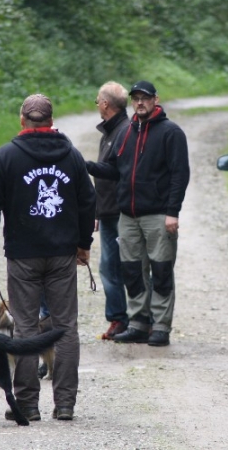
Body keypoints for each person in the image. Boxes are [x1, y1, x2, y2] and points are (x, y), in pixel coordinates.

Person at [0, 94, 96, 421]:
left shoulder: (7, 156)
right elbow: (88, 201)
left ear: (22, 120)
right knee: (66, 327)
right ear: (51, 121)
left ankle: (27, 405)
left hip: (23, 256)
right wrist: (83, 244)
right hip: (61, 255)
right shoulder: (70, 155)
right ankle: (66, 404)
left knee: (25, 328)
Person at [87, 80, 190, 347]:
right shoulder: (126, 132)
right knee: (132, 271)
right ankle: (138, 323)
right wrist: (83, 165)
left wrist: (173, 212)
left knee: (161, 270)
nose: (140, 103)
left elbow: (180, 175)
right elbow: (112, 170)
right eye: (136, 98)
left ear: (155, 99)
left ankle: (161, 326)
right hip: (128, 216)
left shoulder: (171, 132)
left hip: (158, 215)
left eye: (145, 98)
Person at [93, 81, 131, 340]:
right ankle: (119, 318)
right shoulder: (110, 131)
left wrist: (81, 164)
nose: (96, 104)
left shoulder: (124, 131)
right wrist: (97, 210)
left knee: (121, 267)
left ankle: (130, 319)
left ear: (106, 104)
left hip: (121, 213)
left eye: (98, 100)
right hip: (107, 212)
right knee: (109, 267)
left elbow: (118, 174)